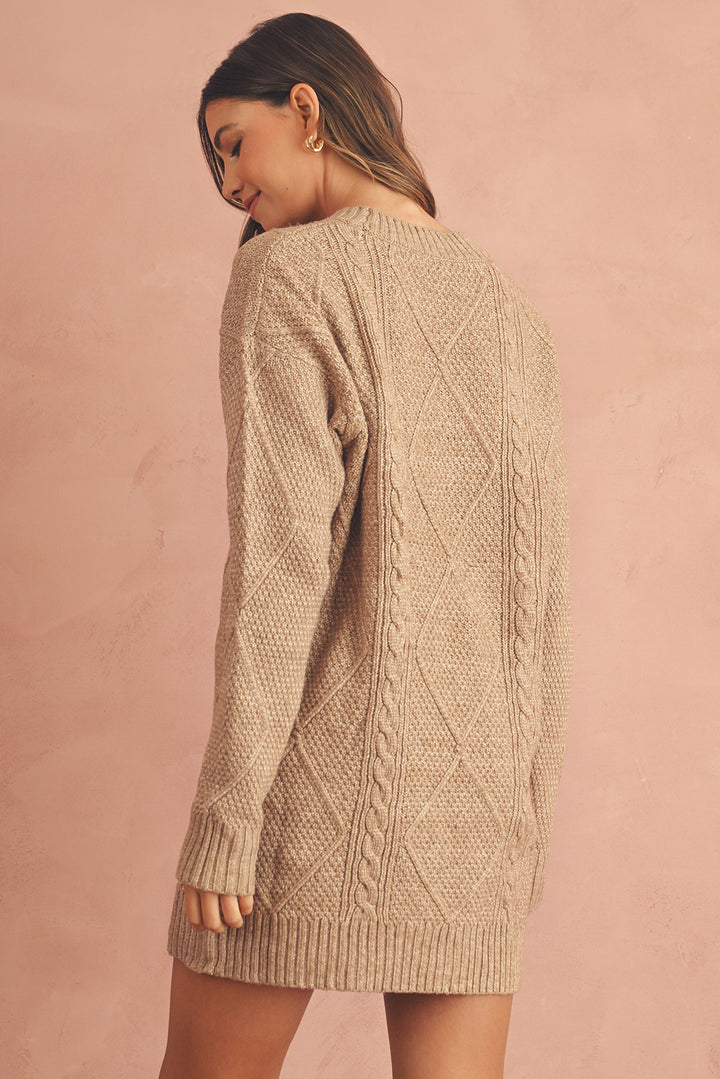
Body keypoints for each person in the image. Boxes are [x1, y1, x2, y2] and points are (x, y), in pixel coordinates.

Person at [158, 12, 573, 1079]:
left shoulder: (288, 276)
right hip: (475, 813)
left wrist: (228, 811)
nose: (228, 184)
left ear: (306, 109)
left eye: (232, 144)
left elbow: (280, 569)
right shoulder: (510, 309)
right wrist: (524, 819)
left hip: (308, 796)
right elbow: (540, 598)